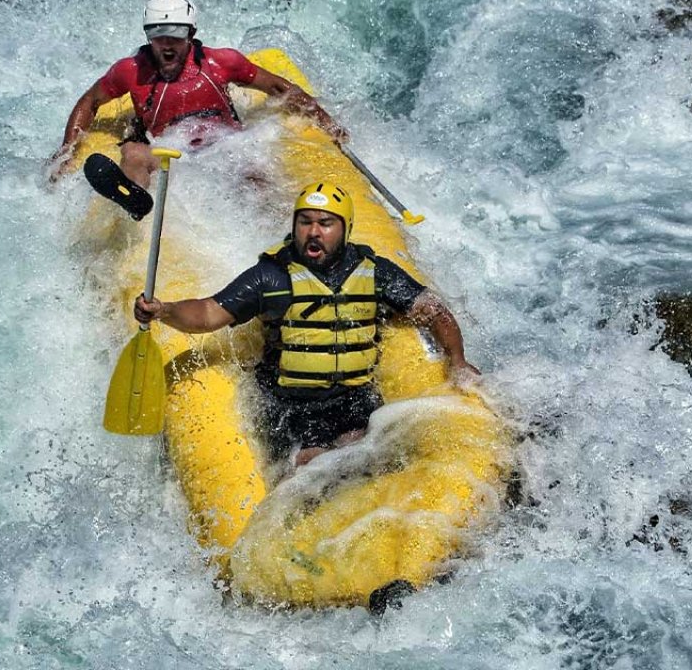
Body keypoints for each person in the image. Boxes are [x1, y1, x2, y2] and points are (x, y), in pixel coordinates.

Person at [134, 181, 480, 467]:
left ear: (345, 229)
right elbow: (208, 313)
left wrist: (458, 362)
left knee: (382, 458)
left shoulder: (375, 272)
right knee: (313, 470)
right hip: (293, 408)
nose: (314, 232)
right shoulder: (271, 277)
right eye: (305, 222)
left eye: (325, 223)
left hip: (355, 400)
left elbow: (433, 310)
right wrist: (164, 310)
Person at [51, 0, 345, 188]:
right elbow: (90, 101)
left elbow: (279, 89)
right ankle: (135, 204)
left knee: (254, 175)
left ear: (191, 33)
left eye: (175, 35)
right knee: (133, 152)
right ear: (147, 36)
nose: (166, 45)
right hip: (170, 152)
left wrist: (328, 124)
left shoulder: (222, 63)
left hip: (228, 146)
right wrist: (66, 151)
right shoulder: (131, 71)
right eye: (158, 35)